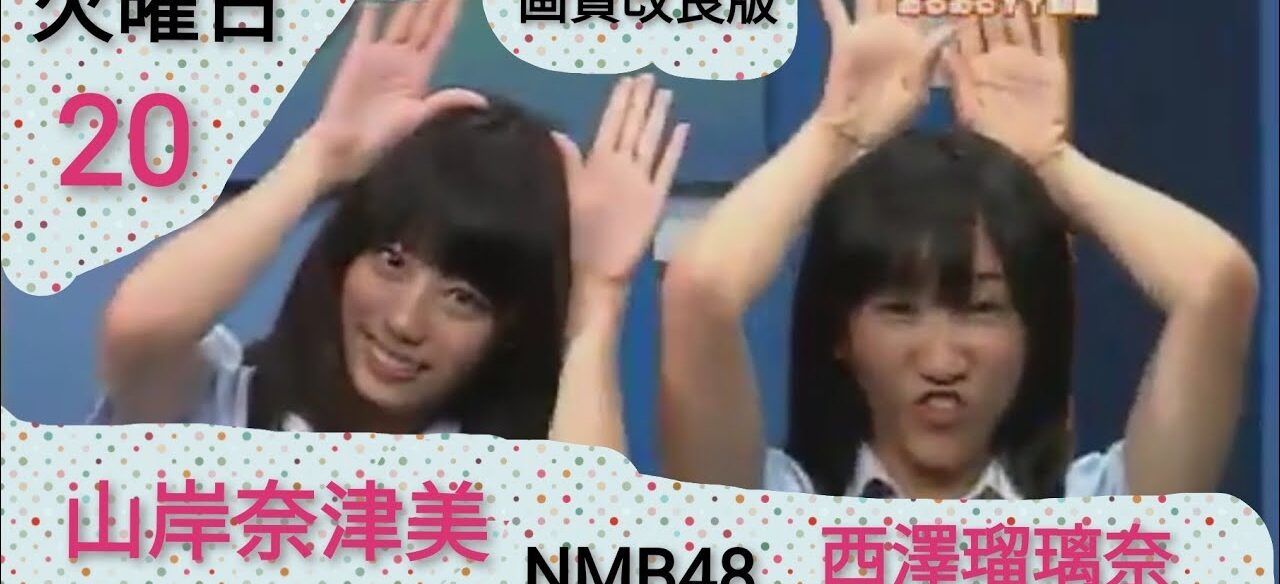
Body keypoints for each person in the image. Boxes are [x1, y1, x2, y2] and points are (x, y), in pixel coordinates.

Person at [658, 0, 1258, 498]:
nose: (942, 361)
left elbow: (1214, 284)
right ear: (842, 334)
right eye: (900, 310)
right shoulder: (777, 515)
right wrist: (834, 135)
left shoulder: (1096, 521)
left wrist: (1051, 161)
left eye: (981, 309)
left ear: (1032, 332)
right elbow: (701, 289)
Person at [94, 0, 689, 453]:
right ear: (344, 258)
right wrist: (320, 159)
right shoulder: (224, 407)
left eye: (463, 298)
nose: (405, 322)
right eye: (393, 261)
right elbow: (140, 328)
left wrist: (597, 300)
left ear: (509, 326)